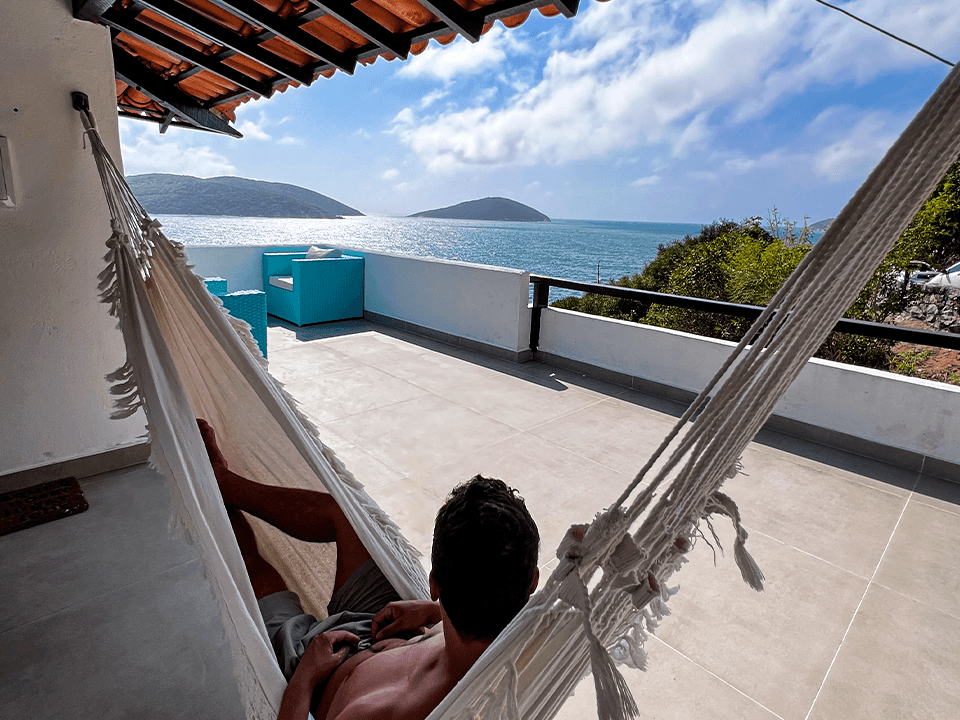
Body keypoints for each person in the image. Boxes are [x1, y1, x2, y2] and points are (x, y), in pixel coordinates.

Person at [197, 420, 541, 720]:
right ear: (533, 583)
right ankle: (225, 481)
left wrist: (305, 677)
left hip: (314, 666)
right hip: (385, 629)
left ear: (434, 584)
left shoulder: (380, 713)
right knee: (348, 517)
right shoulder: (538, 635)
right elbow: (493, 608)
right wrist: (431, 611)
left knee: (253, 568)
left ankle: (209, 486)